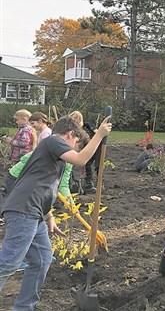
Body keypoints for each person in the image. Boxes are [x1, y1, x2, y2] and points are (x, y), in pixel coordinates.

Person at [0, 115, 111, 310]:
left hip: (36, 212)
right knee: (8, 263)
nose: (72, 151)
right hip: (24, 210)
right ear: (70, 134)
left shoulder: (52, 156)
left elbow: (42, 186)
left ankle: (24, 307)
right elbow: (80, 159)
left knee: (43, 258)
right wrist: (99, 135)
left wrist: (49, 216)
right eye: (76, 143)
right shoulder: (54, 141)